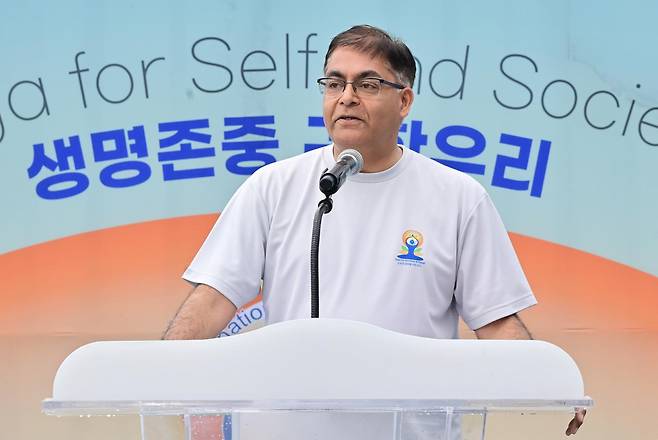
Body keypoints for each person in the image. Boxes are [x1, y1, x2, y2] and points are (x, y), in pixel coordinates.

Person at [163, 24, 585, 436]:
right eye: (334, 83)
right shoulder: (273, 186)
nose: (346, 98)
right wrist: (155, 368)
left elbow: (495, 323)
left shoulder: (458, 197)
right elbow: (215, 299)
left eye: (367, 84)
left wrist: (552, 383)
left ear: (404, 101)